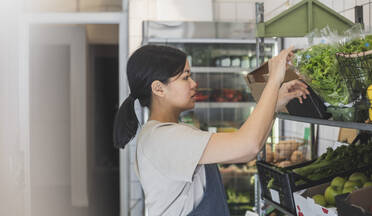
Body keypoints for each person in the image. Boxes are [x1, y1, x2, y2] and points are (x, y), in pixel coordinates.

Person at [113, 45, 309, 216]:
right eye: (185, 77)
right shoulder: (164, 138)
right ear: (158, 89)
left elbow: (247, 150)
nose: (194, 84)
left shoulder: (166, 133)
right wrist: (274, 79)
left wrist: (274, 103)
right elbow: (248, 145)